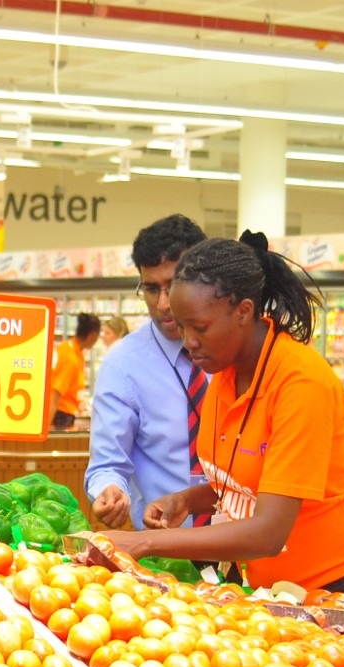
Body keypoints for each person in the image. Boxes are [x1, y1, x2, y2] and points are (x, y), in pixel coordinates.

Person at [101, 233, 344, 595]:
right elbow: (243, 482)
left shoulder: (300, 382)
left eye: (200, 327)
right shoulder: (225, 375)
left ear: (243, 311)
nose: (188, 341)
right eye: (182, 327)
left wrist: (144, 544)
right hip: (278, 587)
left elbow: (268, 532)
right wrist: (185, 500)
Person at [85, 213, 211, 530]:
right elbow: (107, 464)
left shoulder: (234, 351)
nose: (164, 304)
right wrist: (109, 491)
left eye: (174, 286)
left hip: (247, 546)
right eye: (152, 289)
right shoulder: (123, 365)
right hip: (167, 551)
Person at [50, 313, 100, 429]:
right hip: (59, 418)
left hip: (62, 414)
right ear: (92, 335)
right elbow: (55, 395)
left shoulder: (69, 349)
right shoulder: (70, 359)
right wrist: (47, 429)